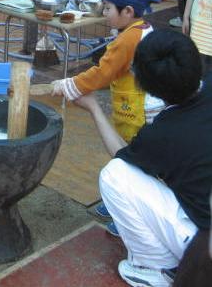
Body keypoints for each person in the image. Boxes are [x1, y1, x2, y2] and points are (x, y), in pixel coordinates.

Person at [75, 30, 212, 287]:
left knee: (114, 175)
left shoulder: (165, 132)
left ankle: (160, 269)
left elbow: (121, 155)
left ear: (148, 89)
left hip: (203, 247)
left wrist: (93, 107)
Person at [52, 0, 163, 235]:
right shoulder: (141, 30)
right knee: (128, 160)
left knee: (135, 164)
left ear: (128, 11)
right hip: (137, 107)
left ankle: (129, 215)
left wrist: (70, 85)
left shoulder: (128, 40)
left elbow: (102, 73)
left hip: (141, 112)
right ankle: (118, 203)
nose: (104, 11)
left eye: (108, 7)